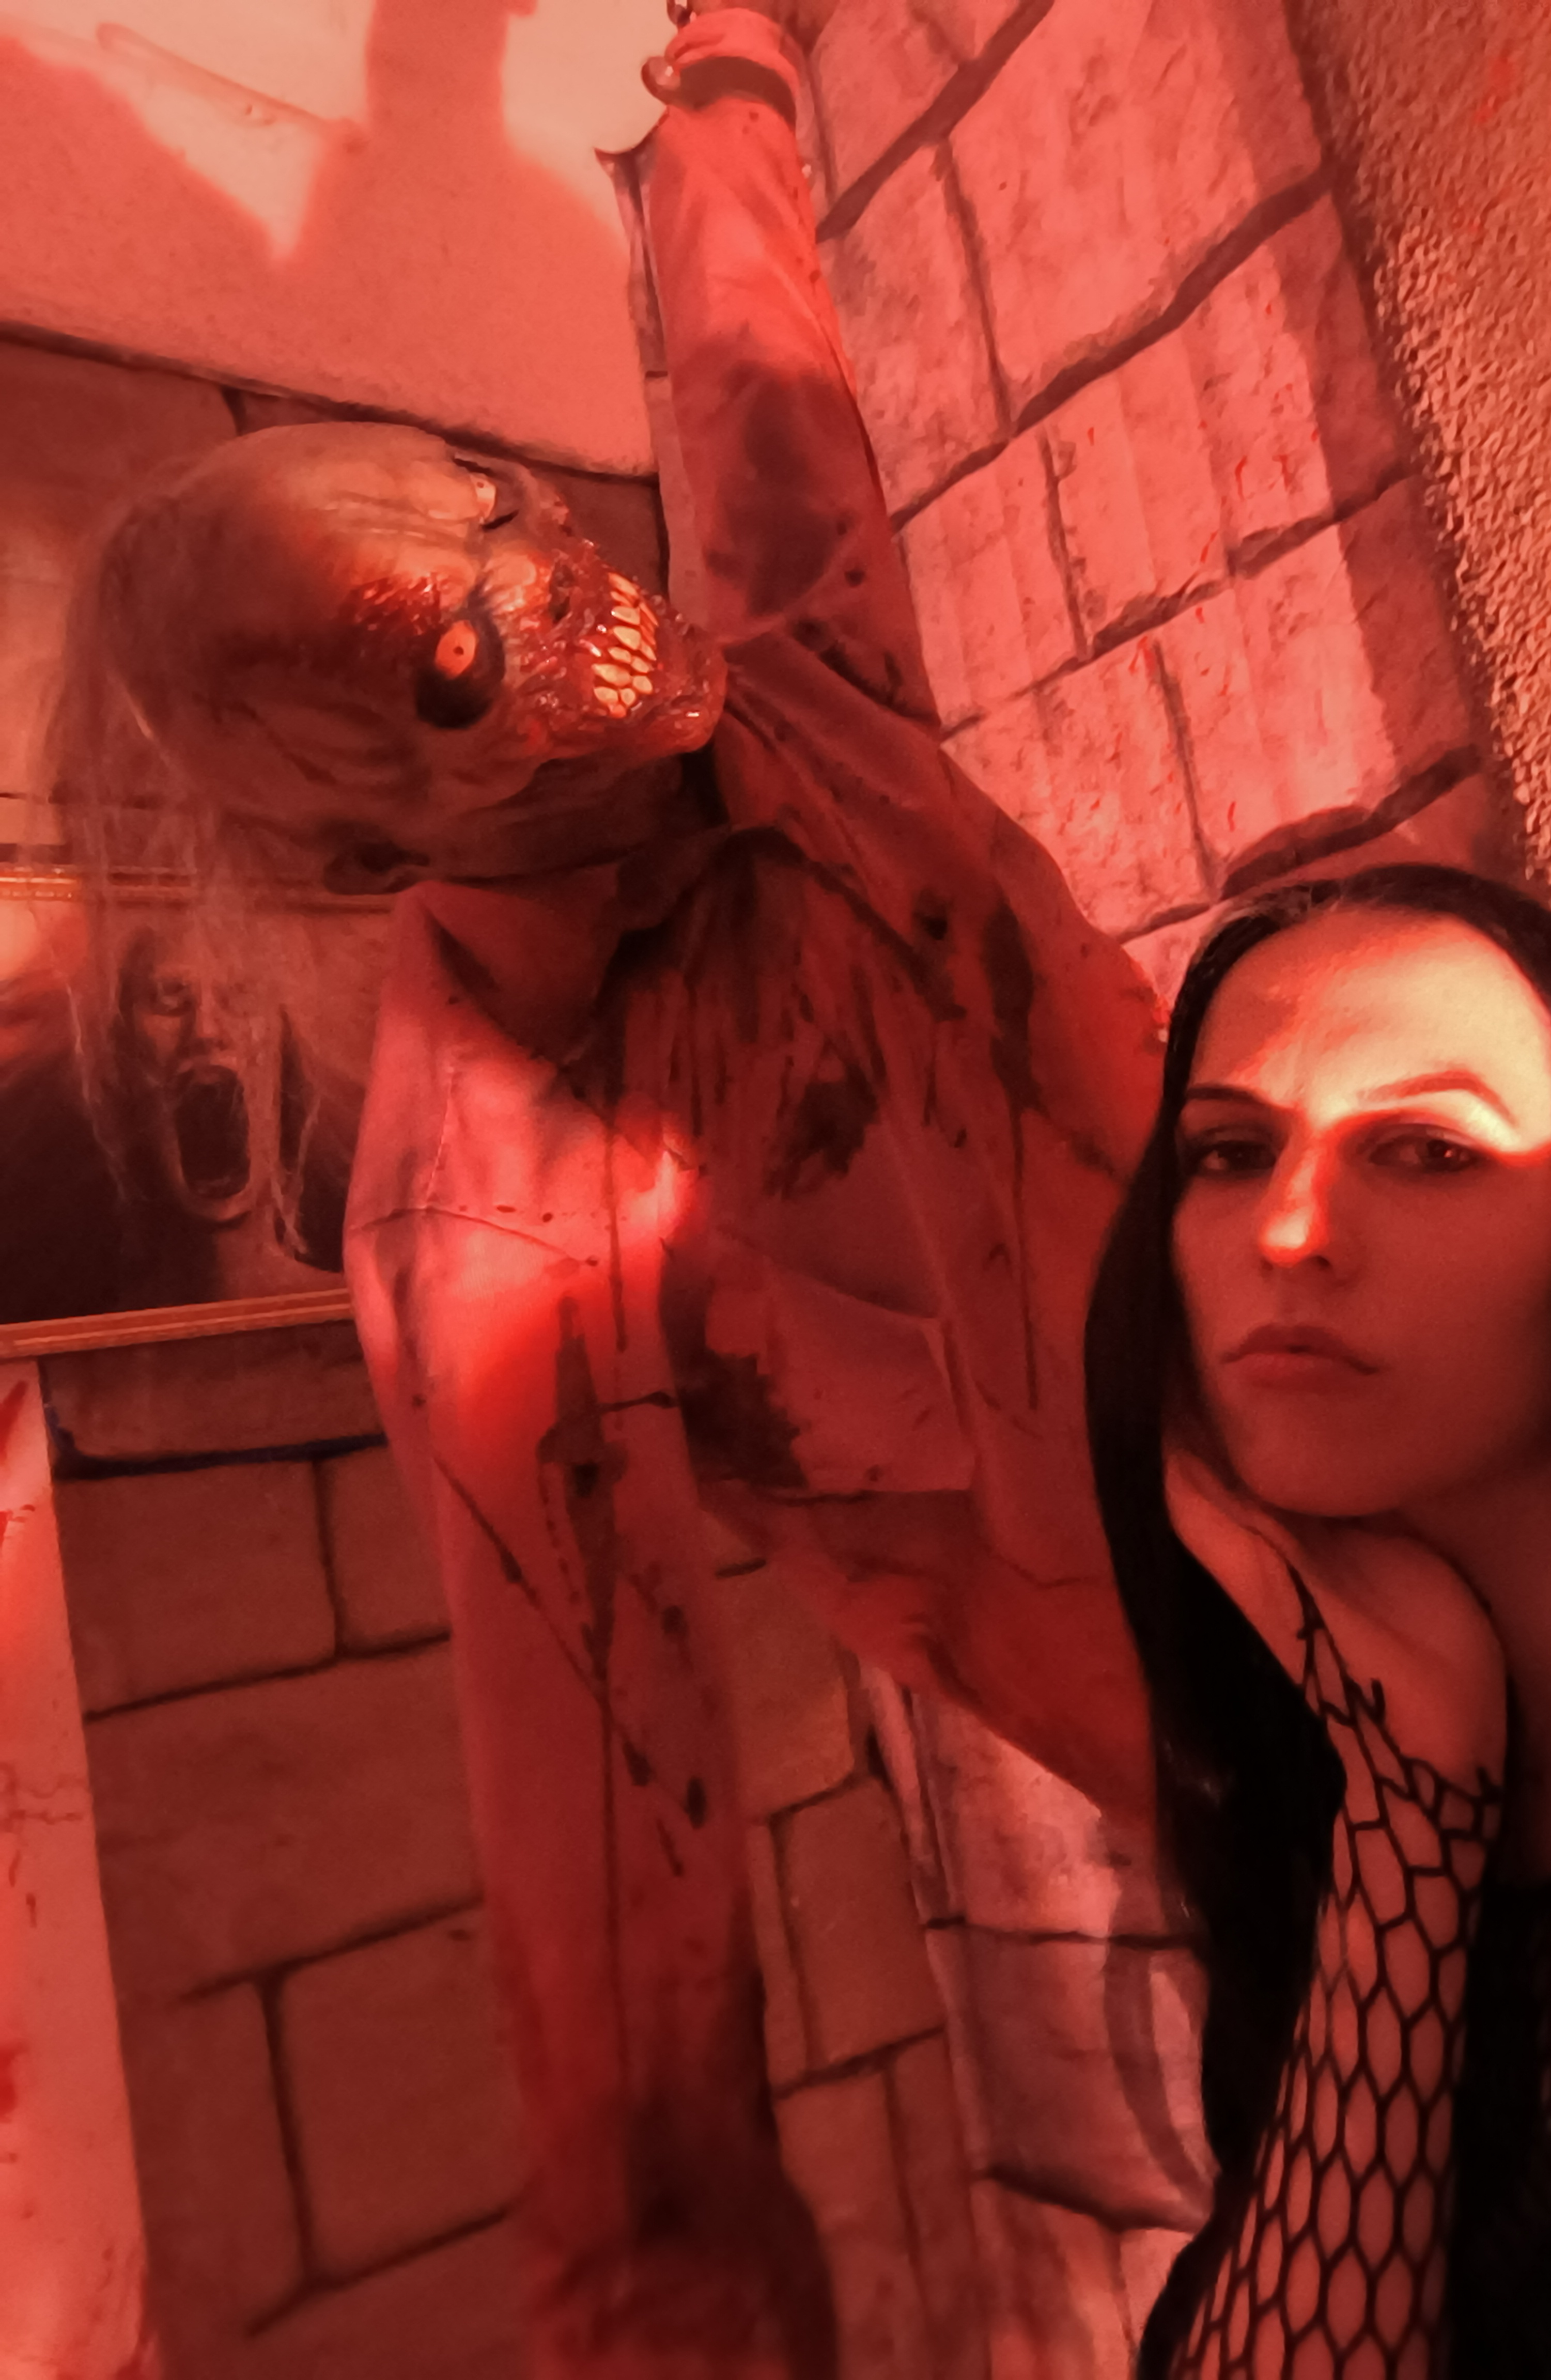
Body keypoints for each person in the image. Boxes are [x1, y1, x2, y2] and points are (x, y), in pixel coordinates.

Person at [54, 6, 1162, 2370]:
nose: (568, 585)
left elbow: (761, 382)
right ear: (357, 837)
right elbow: (626, 1983)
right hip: (1284, 1738)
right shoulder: (494, 1239)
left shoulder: (790, 705)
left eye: (491, 503)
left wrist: (727, 73)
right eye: (467, 654)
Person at [1085, 859, 1551, 2377]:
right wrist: (1410, 1812)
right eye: (1229, 1151)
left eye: (1426, 1150)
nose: (1288, 1231)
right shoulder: (1320, 1781)